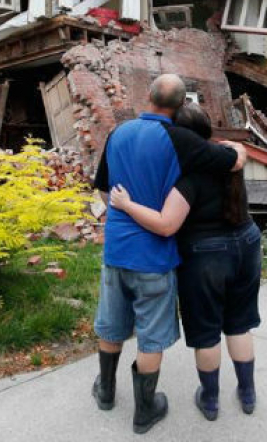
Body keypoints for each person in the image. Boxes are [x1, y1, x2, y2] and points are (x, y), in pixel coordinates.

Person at [91, 74, 247, 434]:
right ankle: (145, 411)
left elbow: (102, 191)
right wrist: (239, 150)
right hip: (154, 258)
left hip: (116, 250)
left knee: (111, 324)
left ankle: (106, 391)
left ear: (148, 96)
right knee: (149, 337)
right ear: (180, 106)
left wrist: (123, 214)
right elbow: (230, 162)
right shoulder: (181, 140)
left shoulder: (118, 133)